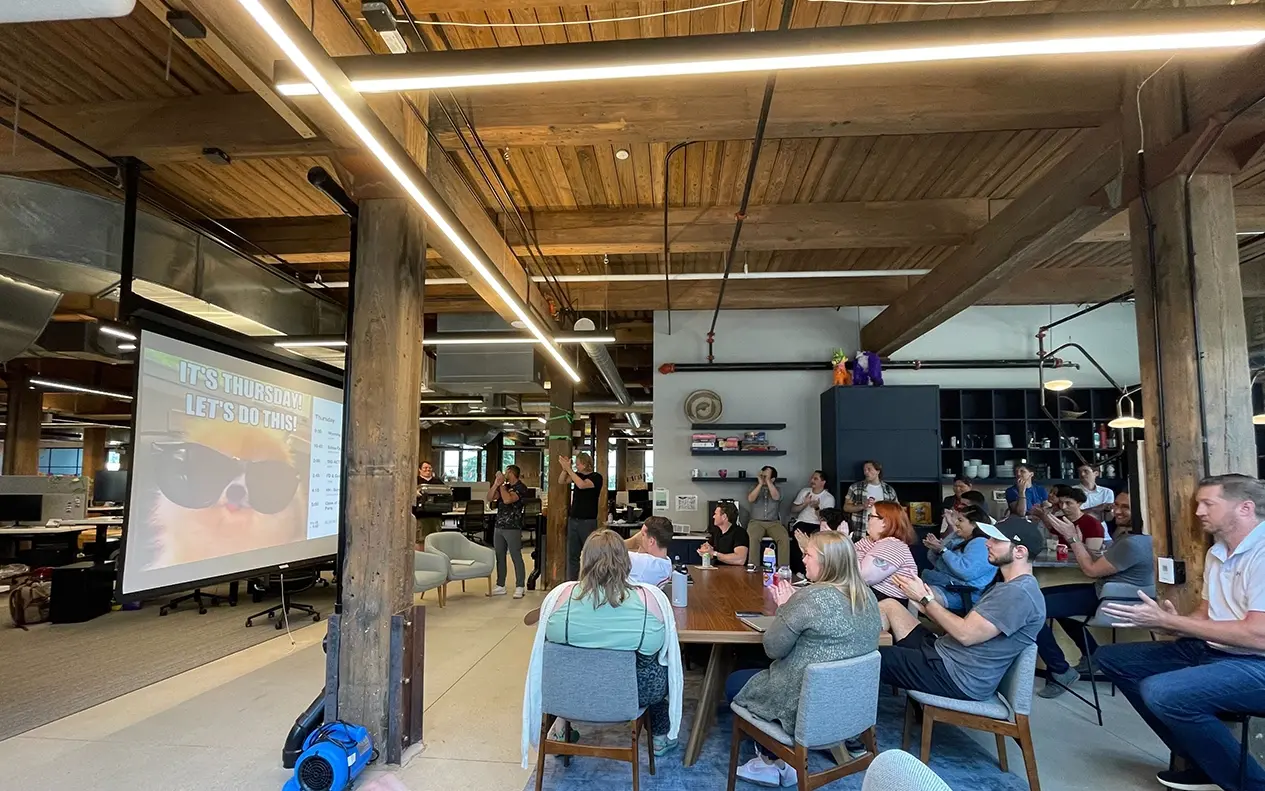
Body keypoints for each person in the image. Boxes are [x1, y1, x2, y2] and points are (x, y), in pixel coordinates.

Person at [1094, 474, 1265, 791]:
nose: (1198, 511)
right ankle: (1207, 763)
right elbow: (1206, 612)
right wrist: (1169, 622)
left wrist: (1177, 624)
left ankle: (1251, 785)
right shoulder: (1218, 551)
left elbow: (1259, 635)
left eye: (1207, 504)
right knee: (1112, 658)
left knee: (1163, 692)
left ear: (1245, 508)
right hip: (1216, 651)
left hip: (1257, 663)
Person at [725, 532, 881, 787]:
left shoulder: (810, 598)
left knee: (735, 681)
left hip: (804, 706)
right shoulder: (868, 596)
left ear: (827, 563)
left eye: (808, 554)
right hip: (850, 706)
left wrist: (785, 606)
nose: (803, 558)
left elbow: (772, 648)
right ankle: (773, 759)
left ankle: (770, 762)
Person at [522, 530, 683, 763]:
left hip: (570, 692)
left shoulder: (559, 599)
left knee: (567, 663)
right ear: (626, 561)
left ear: (584, 560)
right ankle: (660, 735)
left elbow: (552, 643)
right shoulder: (650, 602)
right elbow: (655, 651)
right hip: (628, 694)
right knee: (657, 669)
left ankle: (559, 727)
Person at [878, 520, 1046, 701]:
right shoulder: (1011, 586)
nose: (987, 543)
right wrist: (925, 601)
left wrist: (926, 600)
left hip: (955, 675)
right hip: (943, 652)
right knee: (891, 606)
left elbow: (966, 635)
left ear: (1020, 552)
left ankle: (854, 716)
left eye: (996, 540)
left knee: (867, 658)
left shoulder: (1017, 593)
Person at [1034, 491, 1154, 698]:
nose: (1116, 511)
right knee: (1043, 599)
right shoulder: (1138, 537)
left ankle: (1060, 670)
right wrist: (1080, 542)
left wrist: (1072, 538)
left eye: (1125, 507)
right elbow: (1103, 561)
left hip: (1111, 601)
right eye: (1116, 505)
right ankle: (1092, 655)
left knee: (1030, 608)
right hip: (1112, 594)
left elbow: (1090, 570)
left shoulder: (1132, 543)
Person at [921, 505, 998, 611]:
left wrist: (943, 550)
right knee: (912, 591)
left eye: (960, 520)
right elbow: (938, 563)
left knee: (918, 596)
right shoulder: (962, 539)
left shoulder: (981, 543)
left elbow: (965, 571)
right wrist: (937, 549)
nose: (956, 523)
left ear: (974, 524)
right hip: (947, 587)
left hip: (962, 593)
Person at [855, 500, 919, 601]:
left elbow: (863, 577)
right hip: (868, 595)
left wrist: (843, 544)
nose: (867, 520)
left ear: (885, 522)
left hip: (886, 602)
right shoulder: (869, 541)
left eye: (871, 516)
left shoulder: (893, 546)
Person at [558, 452, 604, 581]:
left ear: (585, 464)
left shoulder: (596, 477)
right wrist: (564, 469)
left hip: (588, 522)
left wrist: (569, 469)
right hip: (574, 520)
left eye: (578, 464)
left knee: (591, 553)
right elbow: (561, 481)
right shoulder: (576, 475)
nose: (577, 466)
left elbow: (582, 485)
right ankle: (572, 582)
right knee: (573, 554)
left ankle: (593, 581)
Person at [487, 465, 529, 598]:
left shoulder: (521, 488)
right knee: (499, 555)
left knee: (516, 556)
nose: (504, 473)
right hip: (499, 525)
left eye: (506, 471)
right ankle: (500, 585)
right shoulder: (503, 486)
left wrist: (501, 486)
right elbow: (489, 498)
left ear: (511, 473)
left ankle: (520, 586)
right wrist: (495, 484)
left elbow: (507, 500)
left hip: (513, 526)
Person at [788, 471, 835, 576]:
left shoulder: (829, 498)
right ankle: (798, 572)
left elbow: (824, 520)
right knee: (797, 538)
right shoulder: (805, 491)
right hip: (802, 522)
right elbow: (793, 509)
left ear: (823, 482)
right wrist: (804, 503)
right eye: (812, 478)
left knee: (814, 542)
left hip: (817, 525)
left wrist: (816, 508)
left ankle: (811, 573)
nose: (812, 481)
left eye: (815, 479)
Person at [1033, 486, 1106, 554]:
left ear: (1079, 503)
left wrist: (1076, 541)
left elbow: (1092, 554)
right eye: (1061, 503)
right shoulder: (1058, 521)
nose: (1063, 507)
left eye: (1068, 503)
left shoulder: (1093, 524)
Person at [745, 466, 788, 568]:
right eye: (763, 476)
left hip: (774, 522)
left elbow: (776, 497)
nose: (764, 478)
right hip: (756, 522)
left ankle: (783, 568)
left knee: (784, 538)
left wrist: (769, 482)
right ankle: (753, 567)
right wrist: (760, 484)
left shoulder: (777, 489)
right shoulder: (754, 488)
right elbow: (750, 499)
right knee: (753, 538)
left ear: (773, 479)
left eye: (767, 477)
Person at [845, 461, 900, 535]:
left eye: (869, 469)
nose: (866, 472)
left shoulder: (889, 490)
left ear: (878, 471)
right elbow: (846, 507)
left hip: (883, 530)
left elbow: (897, 510)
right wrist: (862, 506)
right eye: (864, 470)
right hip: (861, 531)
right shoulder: (855, 488)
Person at [624, 515, 674, 586]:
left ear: (651, 541)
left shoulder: (644, 562)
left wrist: (633, 540)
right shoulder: (667, 563)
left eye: (642, 535)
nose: (640, 537)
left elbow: (609, 551)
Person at [701, 502, 749, 567]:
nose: (713, 516)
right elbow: (708, 546)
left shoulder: (740, 533)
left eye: (715, 514)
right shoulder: (717, 532)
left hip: (735, 574)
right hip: (717, 572)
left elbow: (740, 559)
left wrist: (714, 554)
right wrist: (705, 550)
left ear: (724, 517)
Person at [415, 460, 444, 548]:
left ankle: (434, 559)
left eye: (429, 468)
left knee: (436, 540)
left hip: (436, 515)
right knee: (421, 540)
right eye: (425, 468)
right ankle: (422, 559)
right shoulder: (416, 481)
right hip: (421, 516)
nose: (427, 470)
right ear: (420, 470)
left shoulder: (438, 481)